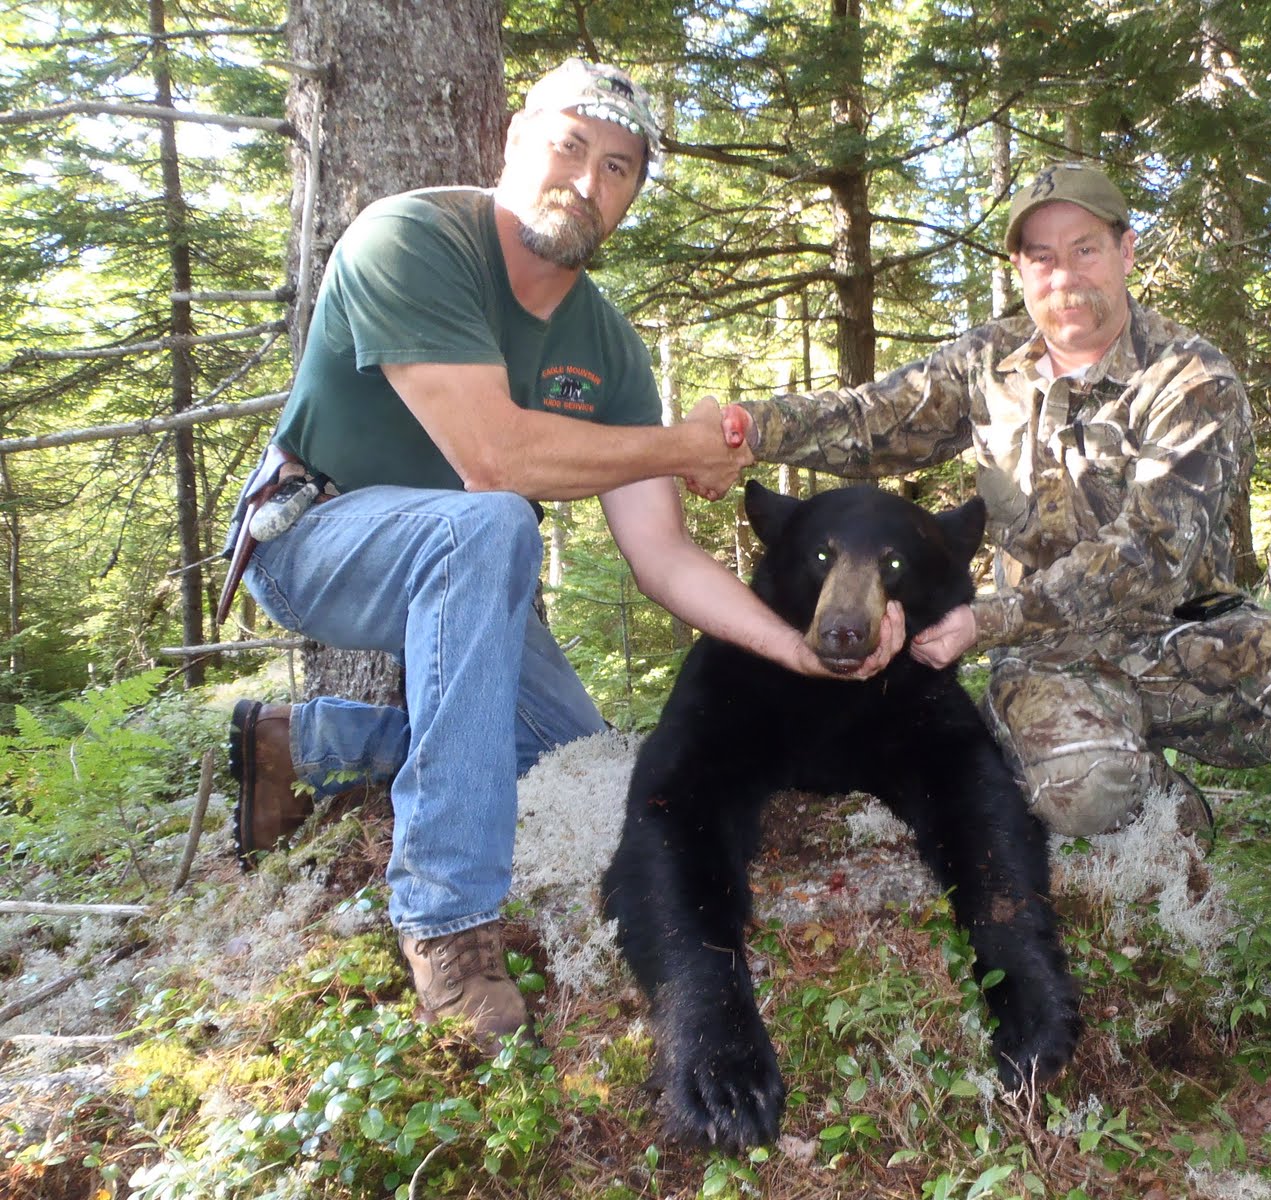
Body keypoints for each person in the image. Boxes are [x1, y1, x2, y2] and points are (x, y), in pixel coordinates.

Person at [224, 58, 903, 1050]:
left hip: (459, 571)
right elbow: (491, 456)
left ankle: (311, 743)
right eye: (572, 147)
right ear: (513, 138)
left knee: (579, 762)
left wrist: (792, 648)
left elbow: (662, 554)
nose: (589, 183)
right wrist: (680, 444)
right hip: (316, 539)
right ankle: (447, 921)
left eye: (620, 168)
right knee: (491, 519)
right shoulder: (410, 238)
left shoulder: (608, 348)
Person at [724, 161, 1271, 844]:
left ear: (1125, 250)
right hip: (1048, 655)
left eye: (1085, 249)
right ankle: (1171, 819)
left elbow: (1153, 550)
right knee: (1084, 791)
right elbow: (873, 422)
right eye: (1042, 257)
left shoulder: (1190, 376)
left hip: (1191, 638)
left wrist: (986, 621)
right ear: (1019, 268)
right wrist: (747, 430)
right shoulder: (988, 362)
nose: (1065, 276)